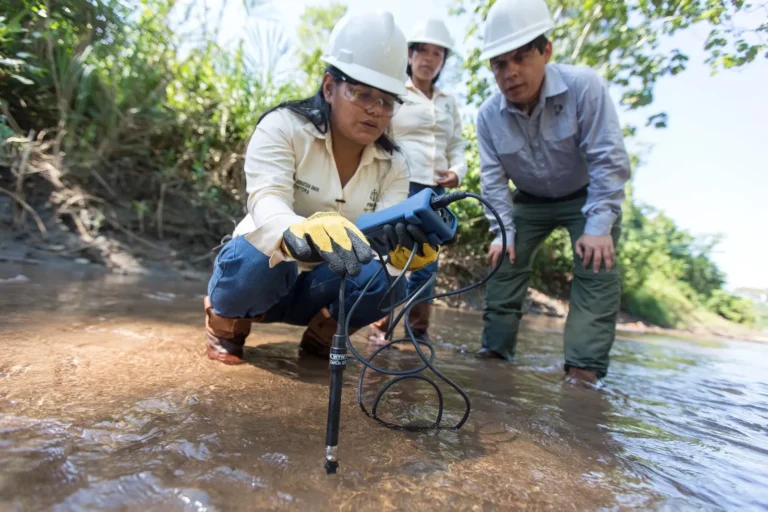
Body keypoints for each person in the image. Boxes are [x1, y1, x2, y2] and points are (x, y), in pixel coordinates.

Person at [203, 11, 439, 365]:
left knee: (389, 282)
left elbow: (382, 243)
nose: (375, 110)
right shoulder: (283, 127)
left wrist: (399, 260)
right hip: (263, 276)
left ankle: (322, 335)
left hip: (320, 289)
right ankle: (226, 326)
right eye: (362, 93)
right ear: (329, 87)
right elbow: (266, 199)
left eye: (387, 101)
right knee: (259, 256)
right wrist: (296, 229)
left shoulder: (395, 165)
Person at [474, 0, 631, 383]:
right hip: (528, 200)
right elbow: (493, 181)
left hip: (586, 196)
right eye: (499, 64)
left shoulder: (584, 86)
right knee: (504, 259)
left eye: (521, 58)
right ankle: (494, 358)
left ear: (546, 51)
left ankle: (582, 374)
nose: (511, 73)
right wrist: (501, 232)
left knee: (597, 264)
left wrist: (599, 227)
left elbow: (607, 158)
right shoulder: (488, 116)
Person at [367, 18, 467, 344]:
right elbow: (380, 135)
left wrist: (458, 171)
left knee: (426, 261)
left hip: (435, 192)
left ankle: (416, 333)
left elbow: (457, 145)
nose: (428, 59)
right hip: (400, 186)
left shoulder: (448, 101)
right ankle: (379, 327)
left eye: (437, 53)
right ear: (409, 55)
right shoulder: (396, 91)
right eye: (422, 51)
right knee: (393, 254)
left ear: (443, 61)